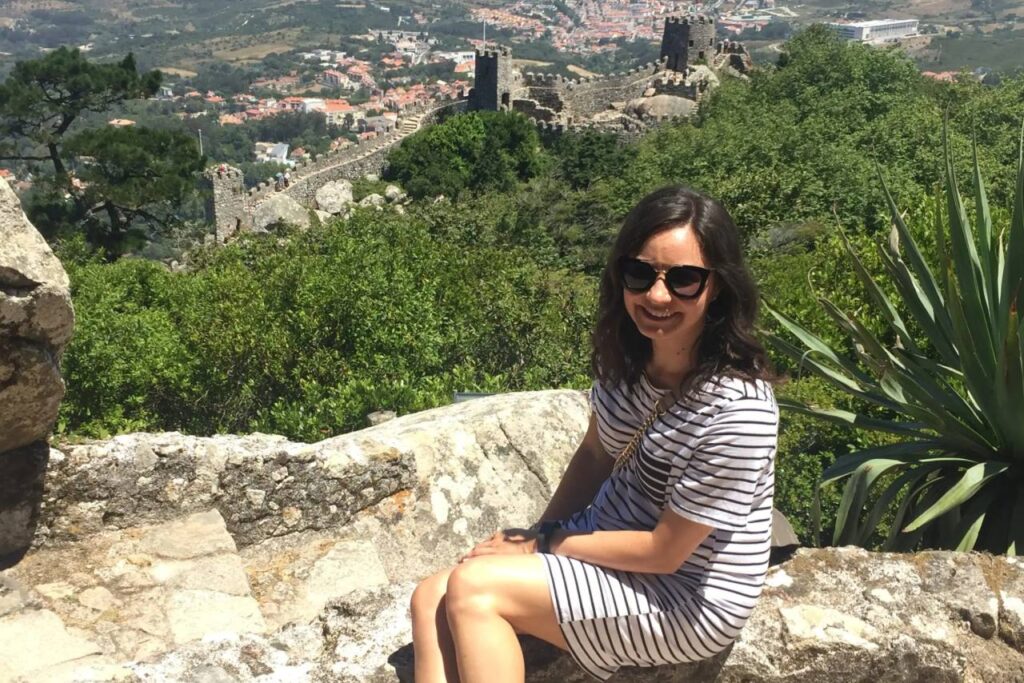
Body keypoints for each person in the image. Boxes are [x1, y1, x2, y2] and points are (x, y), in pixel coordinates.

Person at [410, 185, 778, 682]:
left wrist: (548, 545)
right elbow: (594, 455)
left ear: (718, 288)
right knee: (431, 596)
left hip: (687, 594)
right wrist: (535, 534)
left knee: (475, 589)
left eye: (685, 280)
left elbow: (666, 552)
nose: (657, 295)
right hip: (607, 545)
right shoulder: (630, 362)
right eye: (640, 273)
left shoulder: (736, 410)